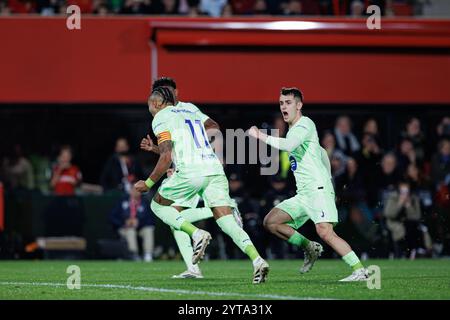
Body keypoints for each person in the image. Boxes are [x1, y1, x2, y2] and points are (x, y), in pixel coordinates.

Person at [134, 85, 269, 284]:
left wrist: (148, 183)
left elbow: (166, 156)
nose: (150, 110)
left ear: (156, 103)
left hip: (190, 172)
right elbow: (213, 126)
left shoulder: (161, 117)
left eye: (149, 106)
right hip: (213, 168)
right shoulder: (190, 109)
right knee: (225, 221)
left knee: (158, 205)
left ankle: (197, 235)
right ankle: (258, 260)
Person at [249, 87, 368, 281]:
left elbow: (288, 146)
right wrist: (328, 176)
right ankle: (309, 247)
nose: (283, 107)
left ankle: (359, 270)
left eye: (288, 103)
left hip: (317, 190)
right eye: (281, 103)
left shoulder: (305, 123)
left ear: (299, 105)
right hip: (304, 193)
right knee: (271, 222)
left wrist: (260, 136)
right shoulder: (294, 130)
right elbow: (321, 152)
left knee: (325, 232)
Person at [110, 187, 155, 262]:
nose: (136, 192)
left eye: (138, 190)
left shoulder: (144, 203)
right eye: (134, 190)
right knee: (131, 231)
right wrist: (124, 223)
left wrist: (139, 222)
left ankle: (148, 254)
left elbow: (151, 219)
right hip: (125, 228)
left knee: (148, 229)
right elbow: (112, 217)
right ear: (130, 191)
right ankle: (134, 254)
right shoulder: (122, 201)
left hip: (140, 228)